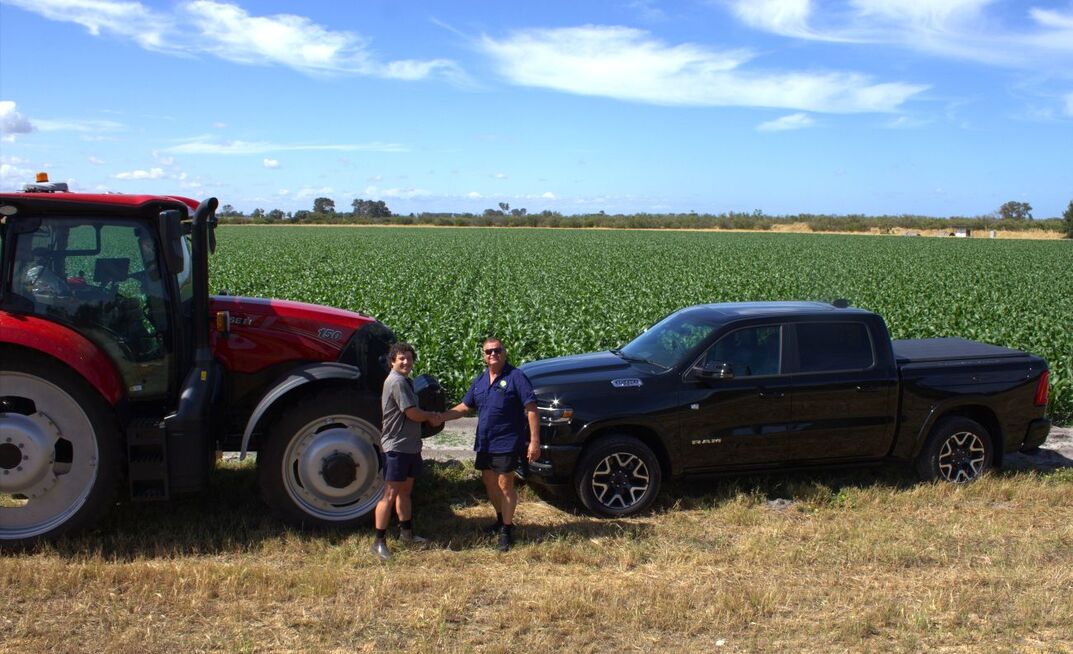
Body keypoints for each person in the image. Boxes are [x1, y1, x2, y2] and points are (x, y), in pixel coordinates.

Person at [440, 337, 540, 552]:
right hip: (485, 441)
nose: (493, 354)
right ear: (483, 356)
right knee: (488, 481)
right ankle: (499, 518)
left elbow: (531, 409)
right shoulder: (481, 379)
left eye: (497, 350)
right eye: (488, 352)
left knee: (505, 484)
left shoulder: (516, 377)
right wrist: (440, 417)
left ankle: (507, 529)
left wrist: (534, 442)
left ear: (504, 352)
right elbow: (465, 407)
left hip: (507, 440)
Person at [371, 342, 443, 561]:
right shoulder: (397, 382)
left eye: (409, 358)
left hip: (410, 446)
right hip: (397, 447)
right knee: (390, 494)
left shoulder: (406, 381)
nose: (406, 362)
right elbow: (411, 413)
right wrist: (432, 415)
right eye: (401, 358)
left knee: (405, 491)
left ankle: (407, 534)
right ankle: (379, 542)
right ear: (393, 361)